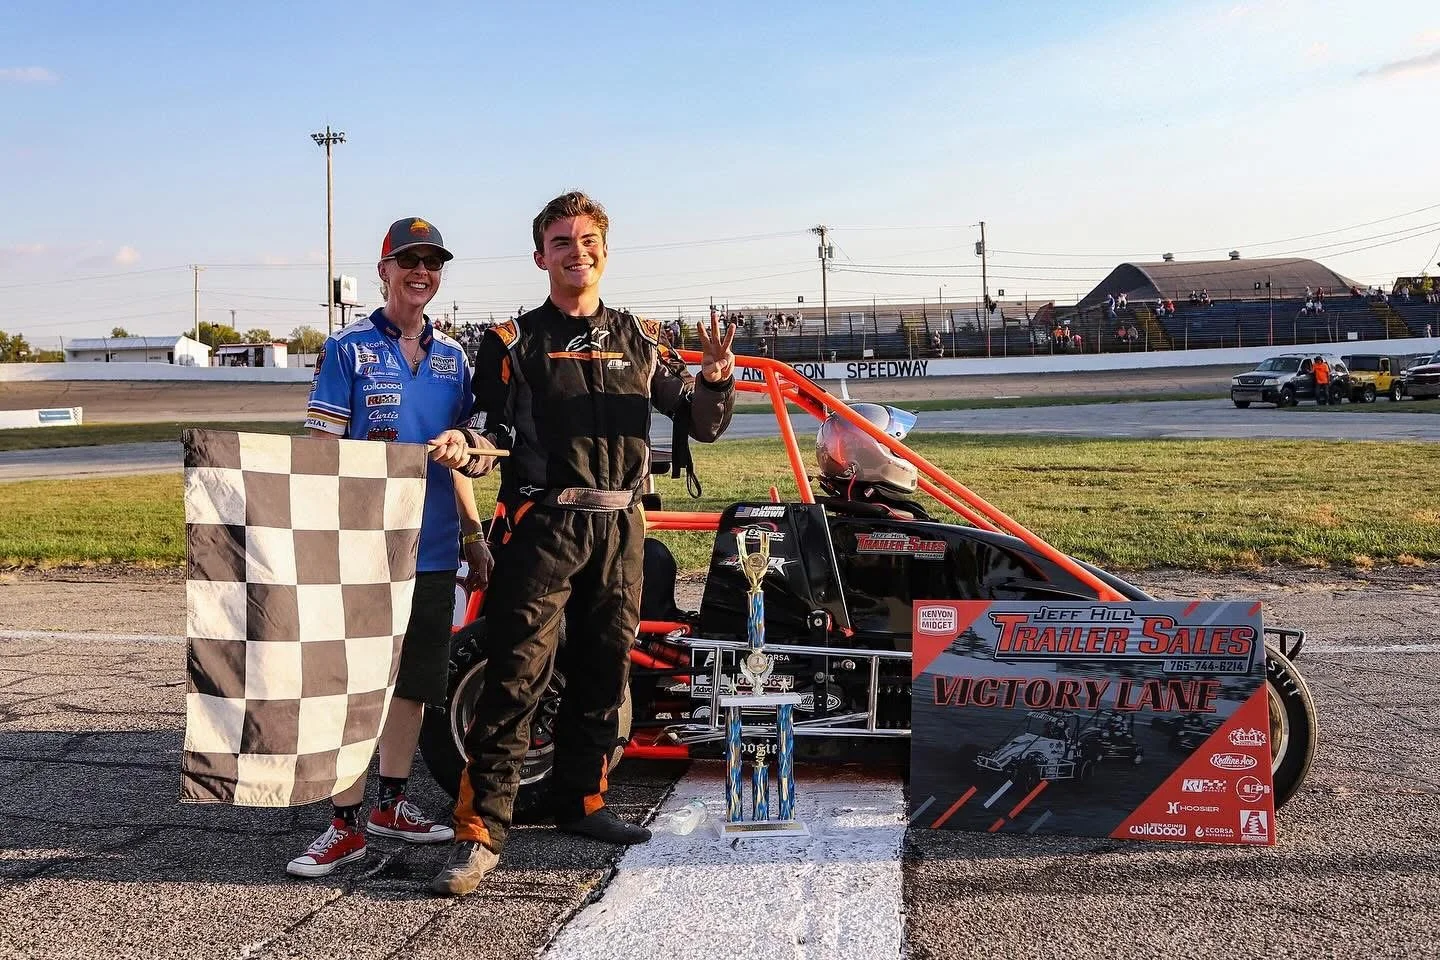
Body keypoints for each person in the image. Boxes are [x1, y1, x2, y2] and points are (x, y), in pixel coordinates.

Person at [425, 191, 736, 896]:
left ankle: (583, 803)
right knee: (516, 678)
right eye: (561, 242)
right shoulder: (512, 341)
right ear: (541, 257)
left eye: (588, 239)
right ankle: (478, 833)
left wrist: (716, 379)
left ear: (605, 250)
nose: (577, 251)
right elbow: (491, 431)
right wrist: (467, 446)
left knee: (603, 673)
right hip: (543, 527)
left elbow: (701, 421)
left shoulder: (641, 339)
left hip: (622, 526)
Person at [287, 218, 492, 878]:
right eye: (409, 260)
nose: (421, 272)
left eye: (432, 262)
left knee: (415, 684)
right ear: (384, 271)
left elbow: (464, 458)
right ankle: (344, 823)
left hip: (432, 548)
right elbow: (320, 453)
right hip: (361, 546)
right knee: (352, 687)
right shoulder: (346, 349)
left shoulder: (454, 358)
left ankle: (391, 804)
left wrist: (473, 534)